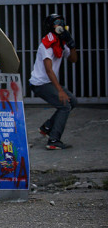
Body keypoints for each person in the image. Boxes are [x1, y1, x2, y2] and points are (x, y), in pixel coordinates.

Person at [29, 13, 78, 150]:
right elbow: (49, 70)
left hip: (49, 82)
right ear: (51, 27)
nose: (60, 25)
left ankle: (48, 126)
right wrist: (60, 91)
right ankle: (53, 140)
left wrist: (71, 44)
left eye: (61, 22)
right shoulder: (46, 44)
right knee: (65, 106)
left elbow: (73, 59)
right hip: (40, 83)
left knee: (73, 101)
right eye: (56, 23)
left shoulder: (61, 43)